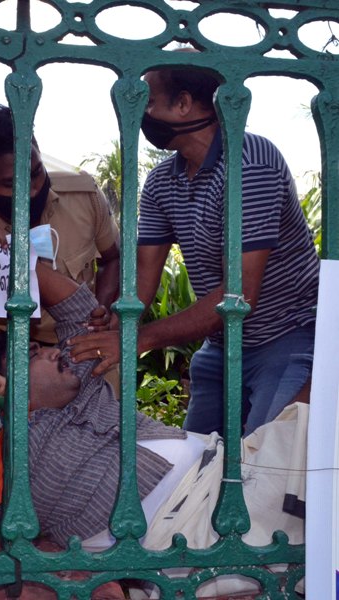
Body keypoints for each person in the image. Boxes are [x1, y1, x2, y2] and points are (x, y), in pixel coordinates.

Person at [0, 264, 306, 598]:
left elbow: (79, 310)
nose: (51, 350)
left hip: (232, 469)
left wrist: (10, 255)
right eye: (31, 354)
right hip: (192, 531)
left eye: (42, 346)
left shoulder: (79, 390)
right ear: (6, 378)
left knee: (320, 394)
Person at [69, 64, 319, 437]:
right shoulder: (160, 183)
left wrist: (137, 339)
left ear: (184, 104)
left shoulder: (250, 161)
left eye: (149, 102)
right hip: (221, 347)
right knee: (196, 464)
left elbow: (238, 296)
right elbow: (142, 277)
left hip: (286, 337)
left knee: (270, 462)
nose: (142, 114)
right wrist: (112, 318)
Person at [0, 104, 121, 368]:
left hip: (92, 346)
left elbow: (113, 258)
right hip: (26, 365)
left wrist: (102, 309)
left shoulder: (83, 195)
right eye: (11, 184)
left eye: (36, 173)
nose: (31, 190)